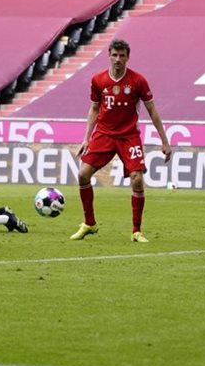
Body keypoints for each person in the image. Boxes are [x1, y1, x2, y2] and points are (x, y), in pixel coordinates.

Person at [70, 39, 172, 243]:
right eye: (114, 55)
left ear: (127, 57)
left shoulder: (138, 81)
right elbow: (94, 109)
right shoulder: (98, 80)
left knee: (137, 179)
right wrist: (86, 138)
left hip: (129, 136)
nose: (118, 59)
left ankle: (136, 231)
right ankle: (89, 223)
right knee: (82, 175)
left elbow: (152, 110)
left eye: (122, 55)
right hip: (104, 134)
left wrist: (165, 141)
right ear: (109, 55)